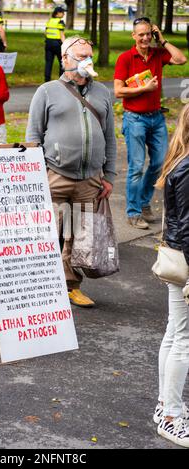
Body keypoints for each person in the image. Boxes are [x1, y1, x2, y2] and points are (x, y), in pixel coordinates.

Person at [26, 36, 117, 308]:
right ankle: (40, 286)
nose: (86, 61)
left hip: (89, 179)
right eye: (79, 56)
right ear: (65, 59)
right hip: (54, 175)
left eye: (89, 55)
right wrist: (36, 174)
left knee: (79, 237)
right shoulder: (47, 91)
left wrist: (109, 176)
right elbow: (33, 136)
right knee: (48, 233)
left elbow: (110, 137)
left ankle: (72, 286)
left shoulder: (102, 92)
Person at [114, 17, 186, 230]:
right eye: (141, 34)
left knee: (159, 163)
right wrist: (142, 89)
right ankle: (133, 212)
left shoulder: (157, 54)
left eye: (148, 34)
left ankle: (144, 202)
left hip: (156, 118)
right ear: (133, 36)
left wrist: (162, 40)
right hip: (134, 119)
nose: (145, 38)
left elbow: (181, 59)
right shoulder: (125, 58)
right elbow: (118, 91)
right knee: (136, 166)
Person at [153, 103, 189, 448]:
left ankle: (167, 405)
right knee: (184, 340)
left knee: (174, 333)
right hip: (185, 262)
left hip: (176, 257)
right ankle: (171, 417)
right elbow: (187, 226)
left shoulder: (180, 160)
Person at [44, 6, 65, 82]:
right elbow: (62, 35)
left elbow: (45, 33)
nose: (64, 14)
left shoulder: (49, 21)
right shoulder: (60, 22)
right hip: (57, 44)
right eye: (62, 12)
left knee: (48, 62)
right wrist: (65, 45)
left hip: (48, 43)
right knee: (62, 62)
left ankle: (47, 80)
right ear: (58, 13)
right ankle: (62, 79)